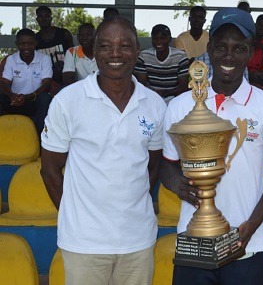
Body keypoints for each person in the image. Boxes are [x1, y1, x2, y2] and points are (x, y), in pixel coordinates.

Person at [162, 7, 263, 285]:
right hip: (194, 243)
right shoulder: (181, 106)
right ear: (209, 48)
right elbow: (167, 165)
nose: (229, 56)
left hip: (250, 244)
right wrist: (177, 185)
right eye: (221, 47)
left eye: (239, 48)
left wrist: (250, 227)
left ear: (250, 51)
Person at [40, 16, 167, 285]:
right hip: (84, 244)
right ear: (94, 52)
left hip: (138, 241)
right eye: (106, 46)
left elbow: (153, 168)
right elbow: (49, 170)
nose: (115, 53)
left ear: (137, 51)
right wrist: (76, 216)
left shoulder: (154, 104)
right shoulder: (68, 101)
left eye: (125, 45)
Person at [0, 28, 52, 137]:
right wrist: (12, 96)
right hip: (14, 101)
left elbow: (47, 84)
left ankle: (40, 139)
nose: (27, 47)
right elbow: (4, 83)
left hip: (34, 100)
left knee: (45, 98)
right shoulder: (11, 59)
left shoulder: (44, 59)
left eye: (30, 43)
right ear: (17, 44)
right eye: (22, 44)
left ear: (36, 43)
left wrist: (28, 97)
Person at [134, 24, 189, 103]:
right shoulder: (143, 56)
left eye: (163, 38)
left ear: (169, 39)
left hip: (174, 98)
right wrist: (154, 94)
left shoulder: (180, 56)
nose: (159, 42)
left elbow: (183, 87)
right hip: (150, 97)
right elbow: (141, 85)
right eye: (155, 38)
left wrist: (165, 93)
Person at [35, 6, 74, 84]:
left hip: (65, 77)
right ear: (37, 19)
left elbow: (73, 55)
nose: (44, 19)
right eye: (40, 16)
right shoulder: (35, 39)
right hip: (45, 80)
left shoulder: (64, 34)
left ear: (51, 18)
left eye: (47, 16)